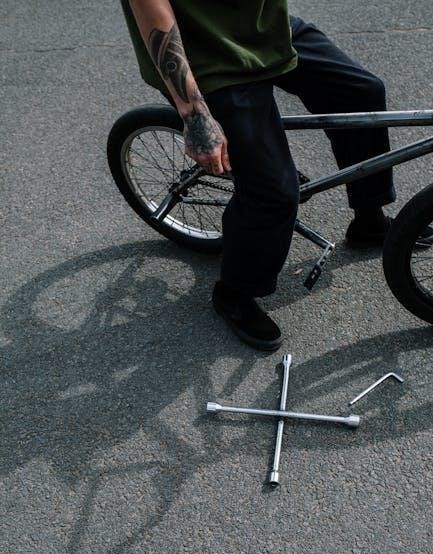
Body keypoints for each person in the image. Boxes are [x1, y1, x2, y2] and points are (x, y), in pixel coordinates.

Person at [118, 1, 411, 350]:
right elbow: (152, 10)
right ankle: (234, 292)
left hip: (264, 29)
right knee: (274, 191)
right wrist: (195, 114)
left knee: (361, 93)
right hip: (205, 56)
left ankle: (368, 218)